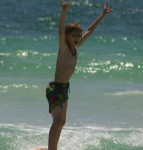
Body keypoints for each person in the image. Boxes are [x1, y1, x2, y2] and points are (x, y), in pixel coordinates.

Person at [45, 0, 112, 149]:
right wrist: (63, 13)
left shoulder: (76, 47)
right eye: (73, 34)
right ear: (67, 36)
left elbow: (89, 30)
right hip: (55, 88)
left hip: (64, 89)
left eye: (78, 34)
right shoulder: (63, 47)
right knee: (57, 121)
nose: (77, 37)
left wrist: (101, 16)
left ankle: (53, 147)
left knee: (62, 122)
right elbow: (60, 29)